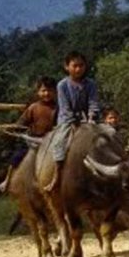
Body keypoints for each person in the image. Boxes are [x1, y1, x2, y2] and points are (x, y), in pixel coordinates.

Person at [45, 51, 100, 192]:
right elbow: (65, 108)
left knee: (107, 137)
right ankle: (57, 174)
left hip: (88, 120)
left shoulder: (91, 84)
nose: (78, 69)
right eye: (74, 66)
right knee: (60, 142)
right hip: (67, 120)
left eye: (81, 65)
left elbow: (93, 103)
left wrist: (91, 118)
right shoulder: (62, 85)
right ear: (66, 67)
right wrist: (75, 121)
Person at [0, 76, 58, 193]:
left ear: (55, 91)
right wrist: (13, 128)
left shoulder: (58, 108)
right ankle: (7, 180)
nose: (46, 93)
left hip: (50, 142)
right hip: (33, 141)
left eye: (49, 90)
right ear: (38, 92)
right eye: (43, 90)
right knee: (17, 157)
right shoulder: (33, 107)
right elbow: (21, 122)